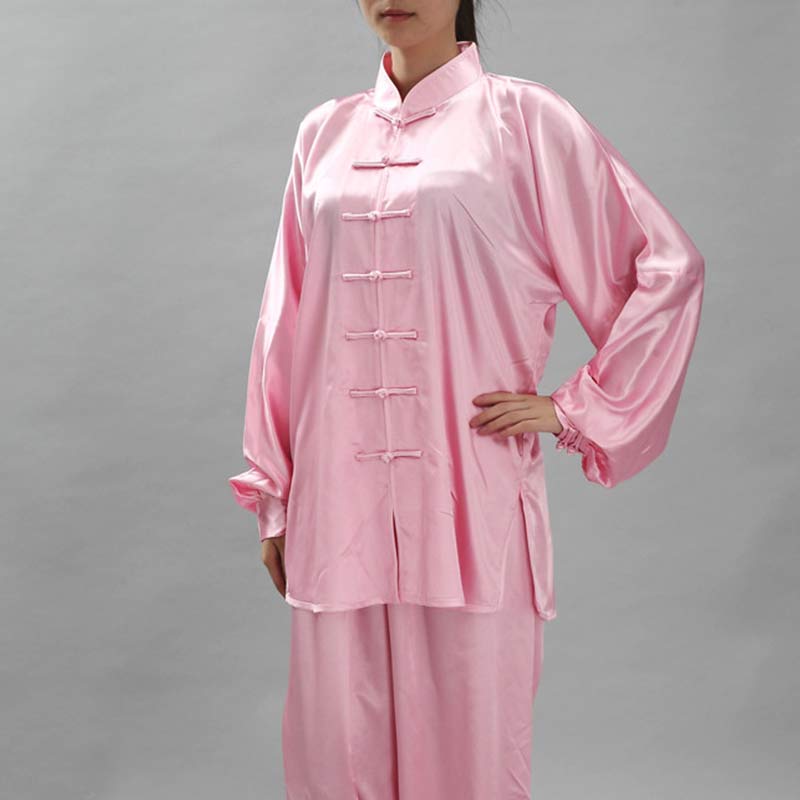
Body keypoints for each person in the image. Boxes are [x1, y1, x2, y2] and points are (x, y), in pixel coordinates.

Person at [227, 1, 706, 797]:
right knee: (337, 749)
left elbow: (665, 267)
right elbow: (285, 322)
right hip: (335, 499)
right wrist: (274, 492)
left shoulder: (523, 123)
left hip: (467, 496)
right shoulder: (323, 134)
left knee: (470, 748)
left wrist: (578, 407)